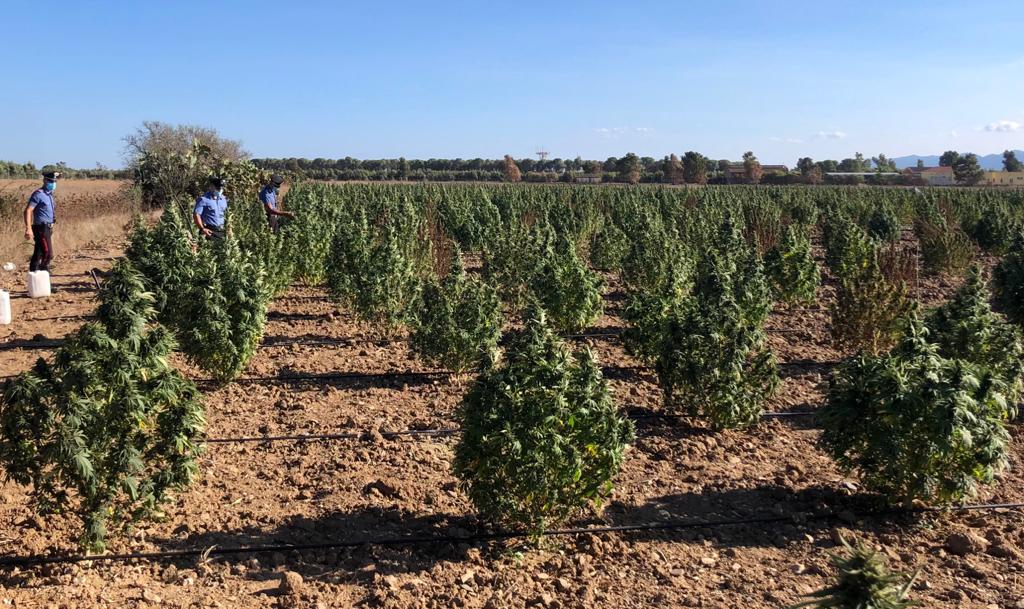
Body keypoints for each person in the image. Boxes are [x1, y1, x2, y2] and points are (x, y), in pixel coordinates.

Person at [24, 168, 60, 272]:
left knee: (39, 252)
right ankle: (43, 272)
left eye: (54, 181)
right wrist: (28, 228)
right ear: (44, 180)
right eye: (50, 181)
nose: (53, 183)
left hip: (48, 227)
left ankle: (34, 273)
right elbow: (28, 210)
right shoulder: (38, 194)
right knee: (48, 254)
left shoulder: (49, 195)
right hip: (41, 228)